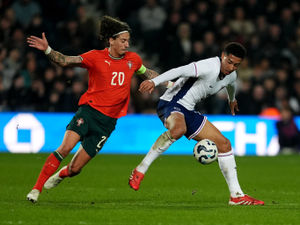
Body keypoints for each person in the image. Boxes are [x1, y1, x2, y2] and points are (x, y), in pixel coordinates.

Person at [26, 15, 162, 203]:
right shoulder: (95, 57)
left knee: (75, 169)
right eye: (123, 41)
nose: (127, 45)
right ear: (111, 40)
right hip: (88, 112)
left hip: (107, 123)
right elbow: (64, 60)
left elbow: (148, 73)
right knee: (65, 148)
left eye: (128, 41)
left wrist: (165, 82)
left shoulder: (133, 60)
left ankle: (61, 175)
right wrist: (48, 49)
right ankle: (36, 189)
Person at [129, 42, 265, 206]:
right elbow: (179, 70)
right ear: (223, 56)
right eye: (229, 62)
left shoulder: (232, 75)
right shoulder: (208, 66)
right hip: (171, 103)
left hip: (189, 110)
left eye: (236, 64)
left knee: (224, 144)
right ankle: (140, 170)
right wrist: (155, 82)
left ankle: (236, 196)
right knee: (179, 129)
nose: (231, 67)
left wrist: (232, 99)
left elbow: (231, 85)